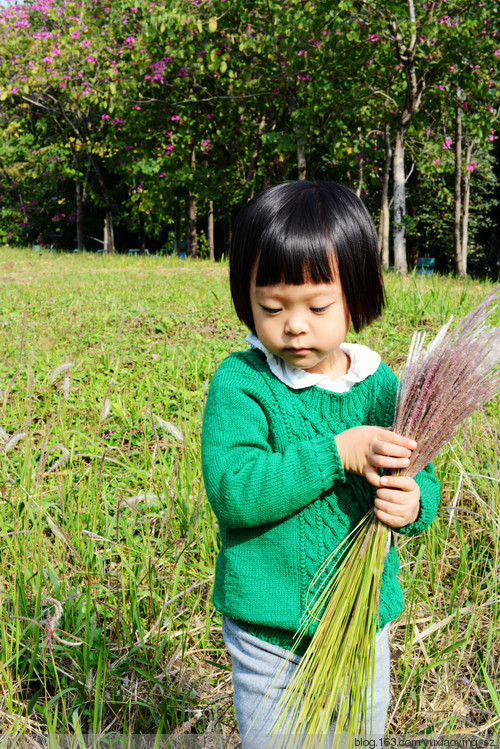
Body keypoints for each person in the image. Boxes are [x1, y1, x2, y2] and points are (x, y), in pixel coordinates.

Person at [201, 181, 441, 747]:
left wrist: (414, 503)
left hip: (361, 627)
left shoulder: (380, 386)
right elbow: (235, 491)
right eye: (272, 307)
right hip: (270, 632)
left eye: (317, 306)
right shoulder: (243, 384)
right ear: (247, 300)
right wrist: (336, 453)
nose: (295, 325)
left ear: (356, 295)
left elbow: (418, 474)